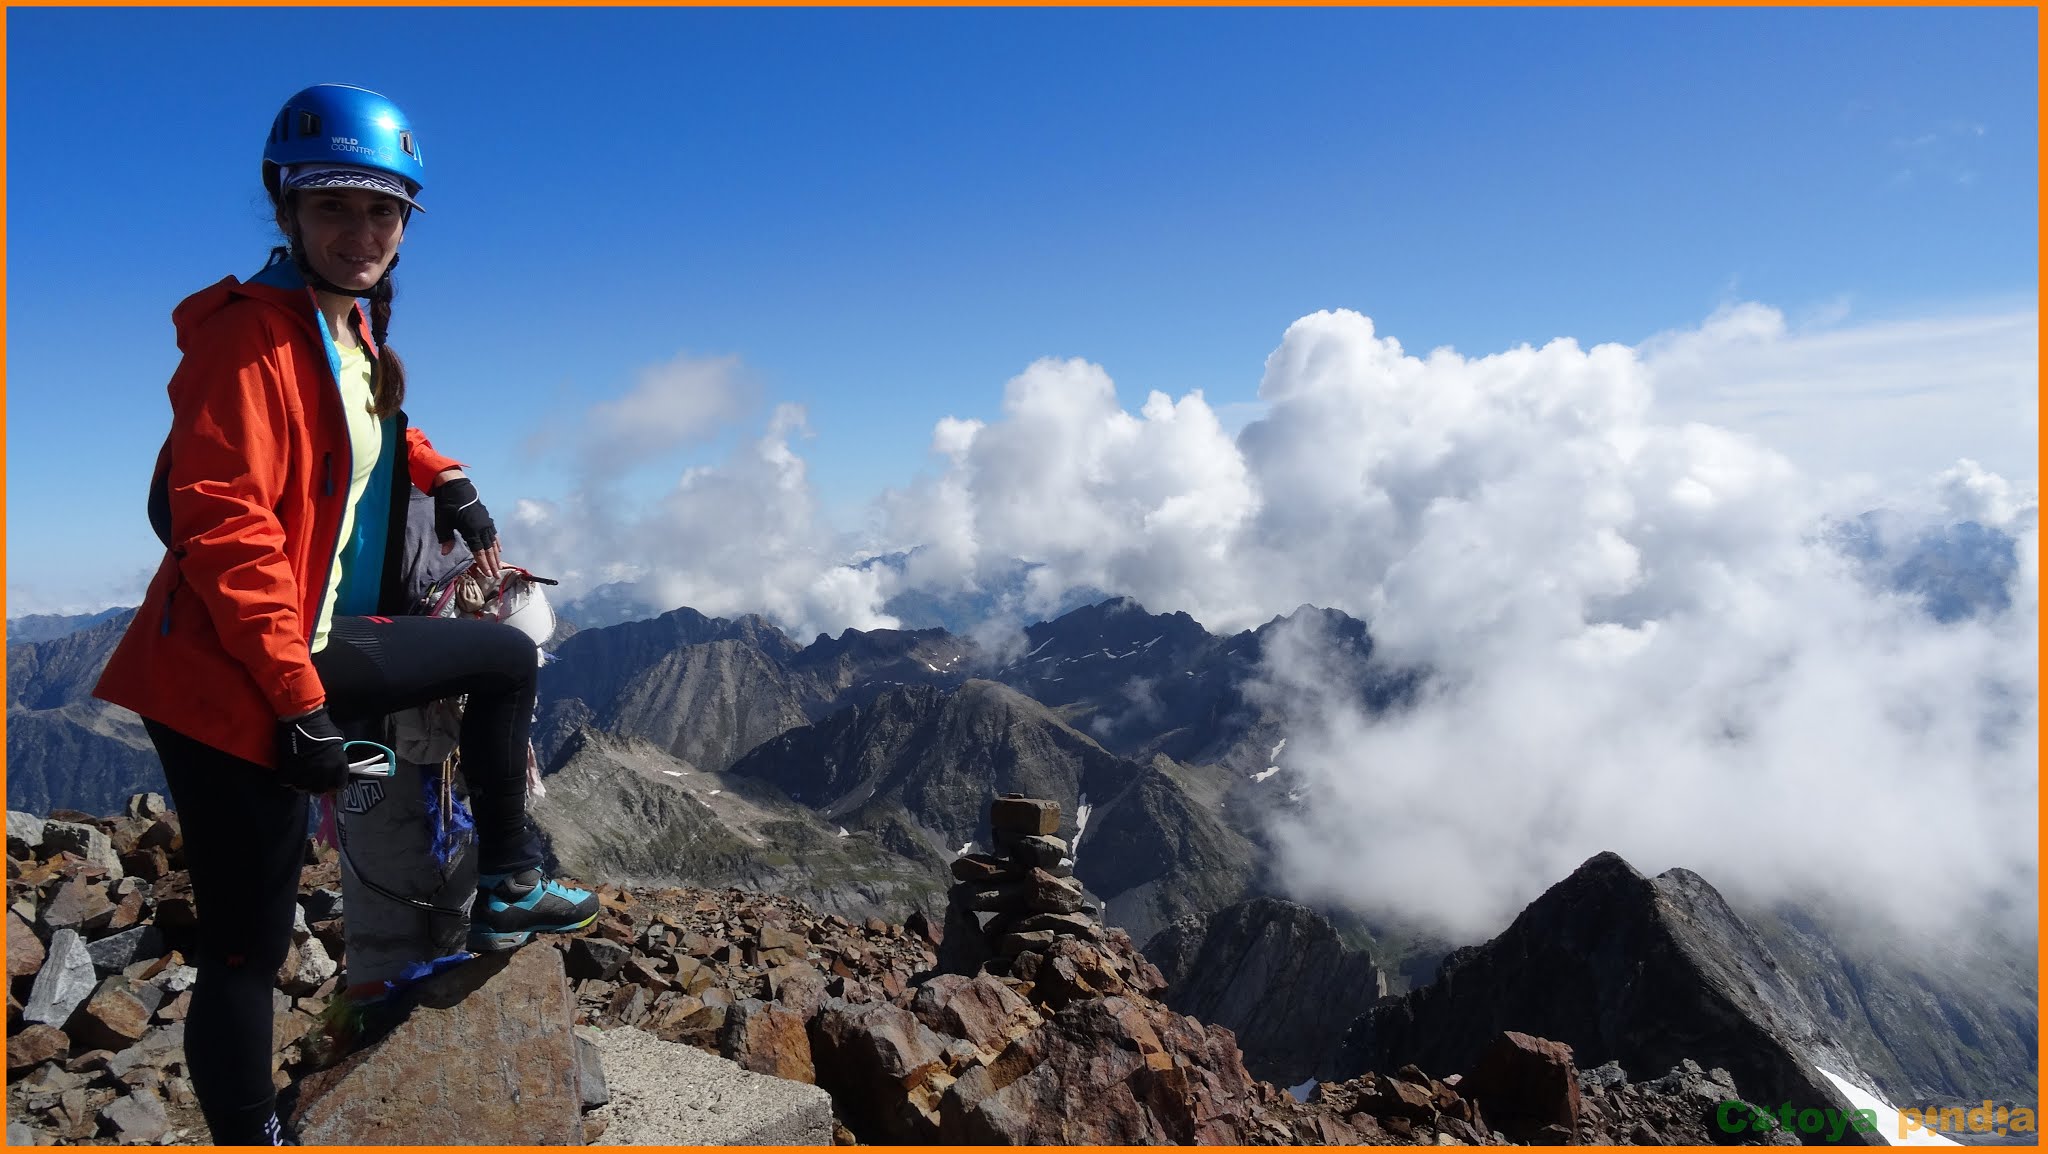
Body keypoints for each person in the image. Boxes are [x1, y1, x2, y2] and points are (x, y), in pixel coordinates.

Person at [91, 83, 601, 1146]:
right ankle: (248, 1132)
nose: (361, 232)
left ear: (407, 222)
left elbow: (366, 425)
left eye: (383, 211)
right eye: (334, 207)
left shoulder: (346, 327)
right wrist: (296, 705)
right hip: (229, 678)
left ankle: (508, 878)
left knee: (503, 655)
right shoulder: (241, 342)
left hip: (305, 646)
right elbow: (227, 532)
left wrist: (444, 476)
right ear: (286, 208)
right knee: (246, 940)